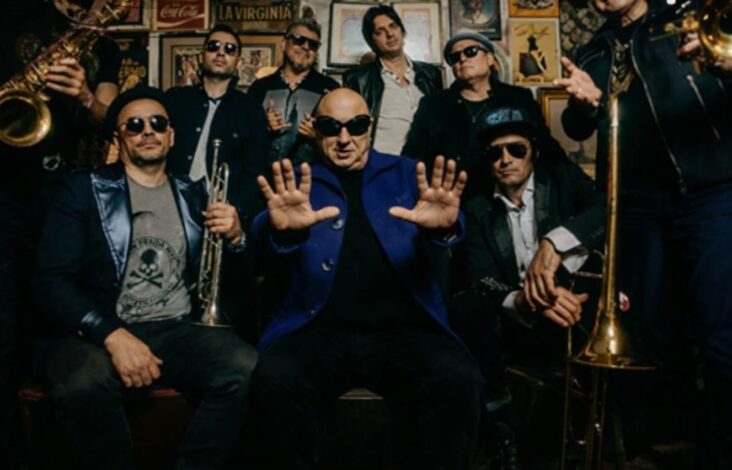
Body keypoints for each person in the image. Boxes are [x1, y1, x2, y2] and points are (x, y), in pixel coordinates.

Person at [249, 88, 482, 470]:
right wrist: (284, 231)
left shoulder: (407, 173)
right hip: (320, 334)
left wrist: (443, 229)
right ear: (316, 131)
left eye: (356, 126)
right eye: (331, 127)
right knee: (273, 379)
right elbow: (262, 235)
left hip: (403, 332)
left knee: (457, 377)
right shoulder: (301, 180)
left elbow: (450, 227)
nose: (344, 138)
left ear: (370, 127)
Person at [32, 86, 257, 470]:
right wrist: (111, 334)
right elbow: (50, 280)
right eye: (134, 125)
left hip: (176, 327)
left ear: (172, 136)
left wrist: (237, 238)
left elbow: (229, 276)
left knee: (245, 365)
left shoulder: (194, 193)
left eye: (157, 123)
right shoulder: (82, 189)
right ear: (117, 139)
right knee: (82, 382)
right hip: (99, 328)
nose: (148, 131)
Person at [555, 0, 732, 466]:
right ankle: (674, 447)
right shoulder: (592, 49)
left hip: (708, 192)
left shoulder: (685, 21)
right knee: (653, 333)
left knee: (720, 335)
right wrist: (585, 106)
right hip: (638, 208)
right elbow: (575, 126)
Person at [0, 1, 120, 466]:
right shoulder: (5, 8)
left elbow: (109, 118)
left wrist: (85, 96)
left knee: (40, 329)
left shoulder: (104, 44)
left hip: (54, 198)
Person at [452, 106, 605, 469]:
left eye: (516, 149)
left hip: (570, 308)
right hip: (515, 321)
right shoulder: (475, 207)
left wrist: (555, 245)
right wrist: (524, 299)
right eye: (495, 153)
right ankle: (501, 431)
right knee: (465, 307)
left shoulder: (563, 180)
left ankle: (585, 432)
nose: (505, 160)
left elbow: (605, 211)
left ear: (533, 150)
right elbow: (480, 276)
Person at [164, 24, 269, 339]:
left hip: (220, 214)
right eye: (214, 47)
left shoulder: (250, 110)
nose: (221, 53)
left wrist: (234, 212)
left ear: (238, 61)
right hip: (172, 209)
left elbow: (255, 171)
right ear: (201, 55)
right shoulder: (174, 100)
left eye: (229, 49)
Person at [403, 30, 567, 200]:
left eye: (471, 51)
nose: (462, 59)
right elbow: (411, 158)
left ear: (490, 59)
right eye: (455, 57)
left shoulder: (518, 98)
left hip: (503, 202)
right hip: (449, 201)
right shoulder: (433, 105)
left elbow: (548, 149)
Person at [342, 4, 443, 155]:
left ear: (401, 30)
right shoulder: (358, 79)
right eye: (380, 32)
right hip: (383, 163)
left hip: (424, 164)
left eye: (393, 26)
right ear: (371, 41)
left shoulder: (430, 74)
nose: (389, 34)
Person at [247, 18, 339, 164]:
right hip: (263, 175)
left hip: (312, 175)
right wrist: (263, 126)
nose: (306, 47)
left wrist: (318, 135)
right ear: (284, 44)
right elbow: (242, 136)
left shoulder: (330, 89)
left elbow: (341, 140)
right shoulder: (260, 87)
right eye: (299, 40)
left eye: (313, 45)